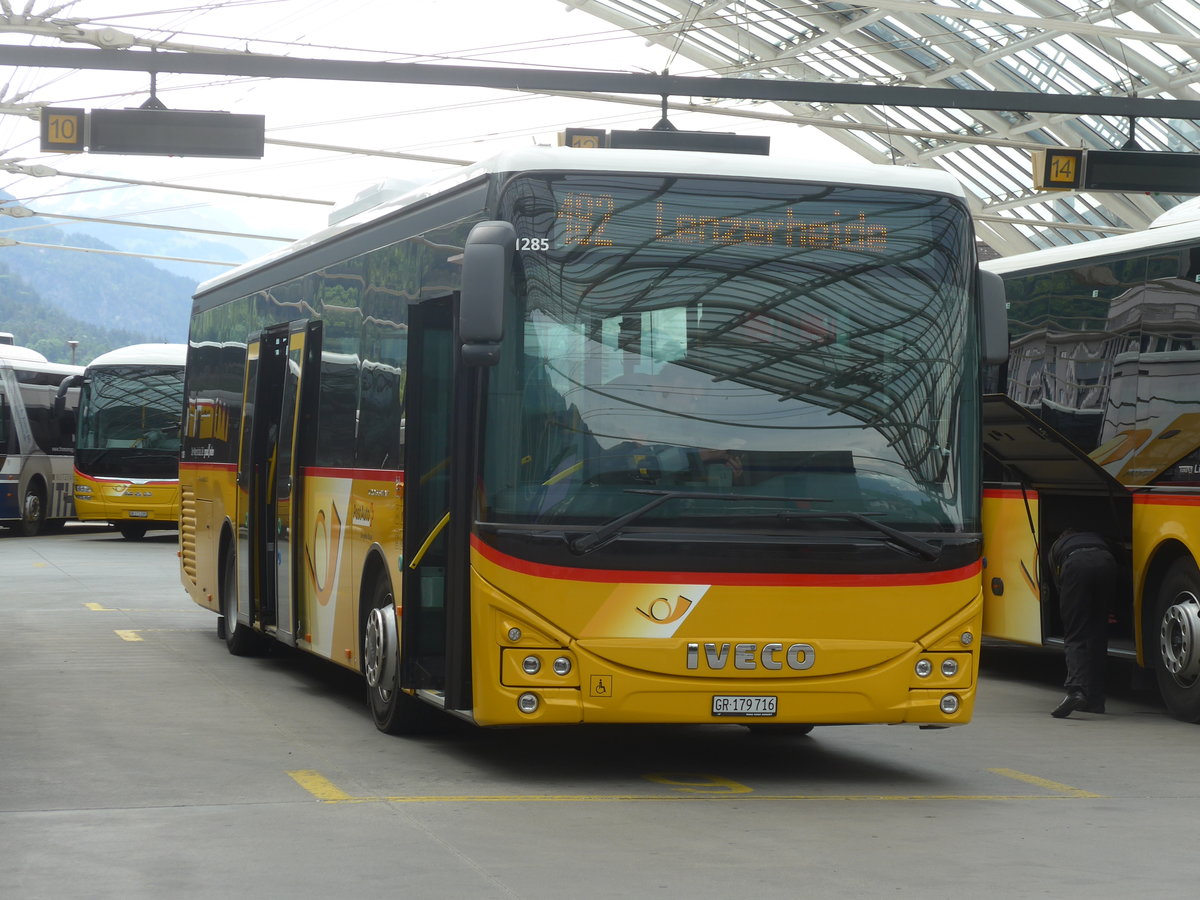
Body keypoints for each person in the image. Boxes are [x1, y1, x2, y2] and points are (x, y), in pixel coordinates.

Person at [1047, 528, 1118, 718]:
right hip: (1106, 562)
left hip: (1075, 565)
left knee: (1075, 633)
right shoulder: (1099, 539)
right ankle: (1095, 701)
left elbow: (1059, 585)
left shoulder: (1056, 547)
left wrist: (1071, 611)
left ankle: (1076, 690)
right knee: (1099, 635)